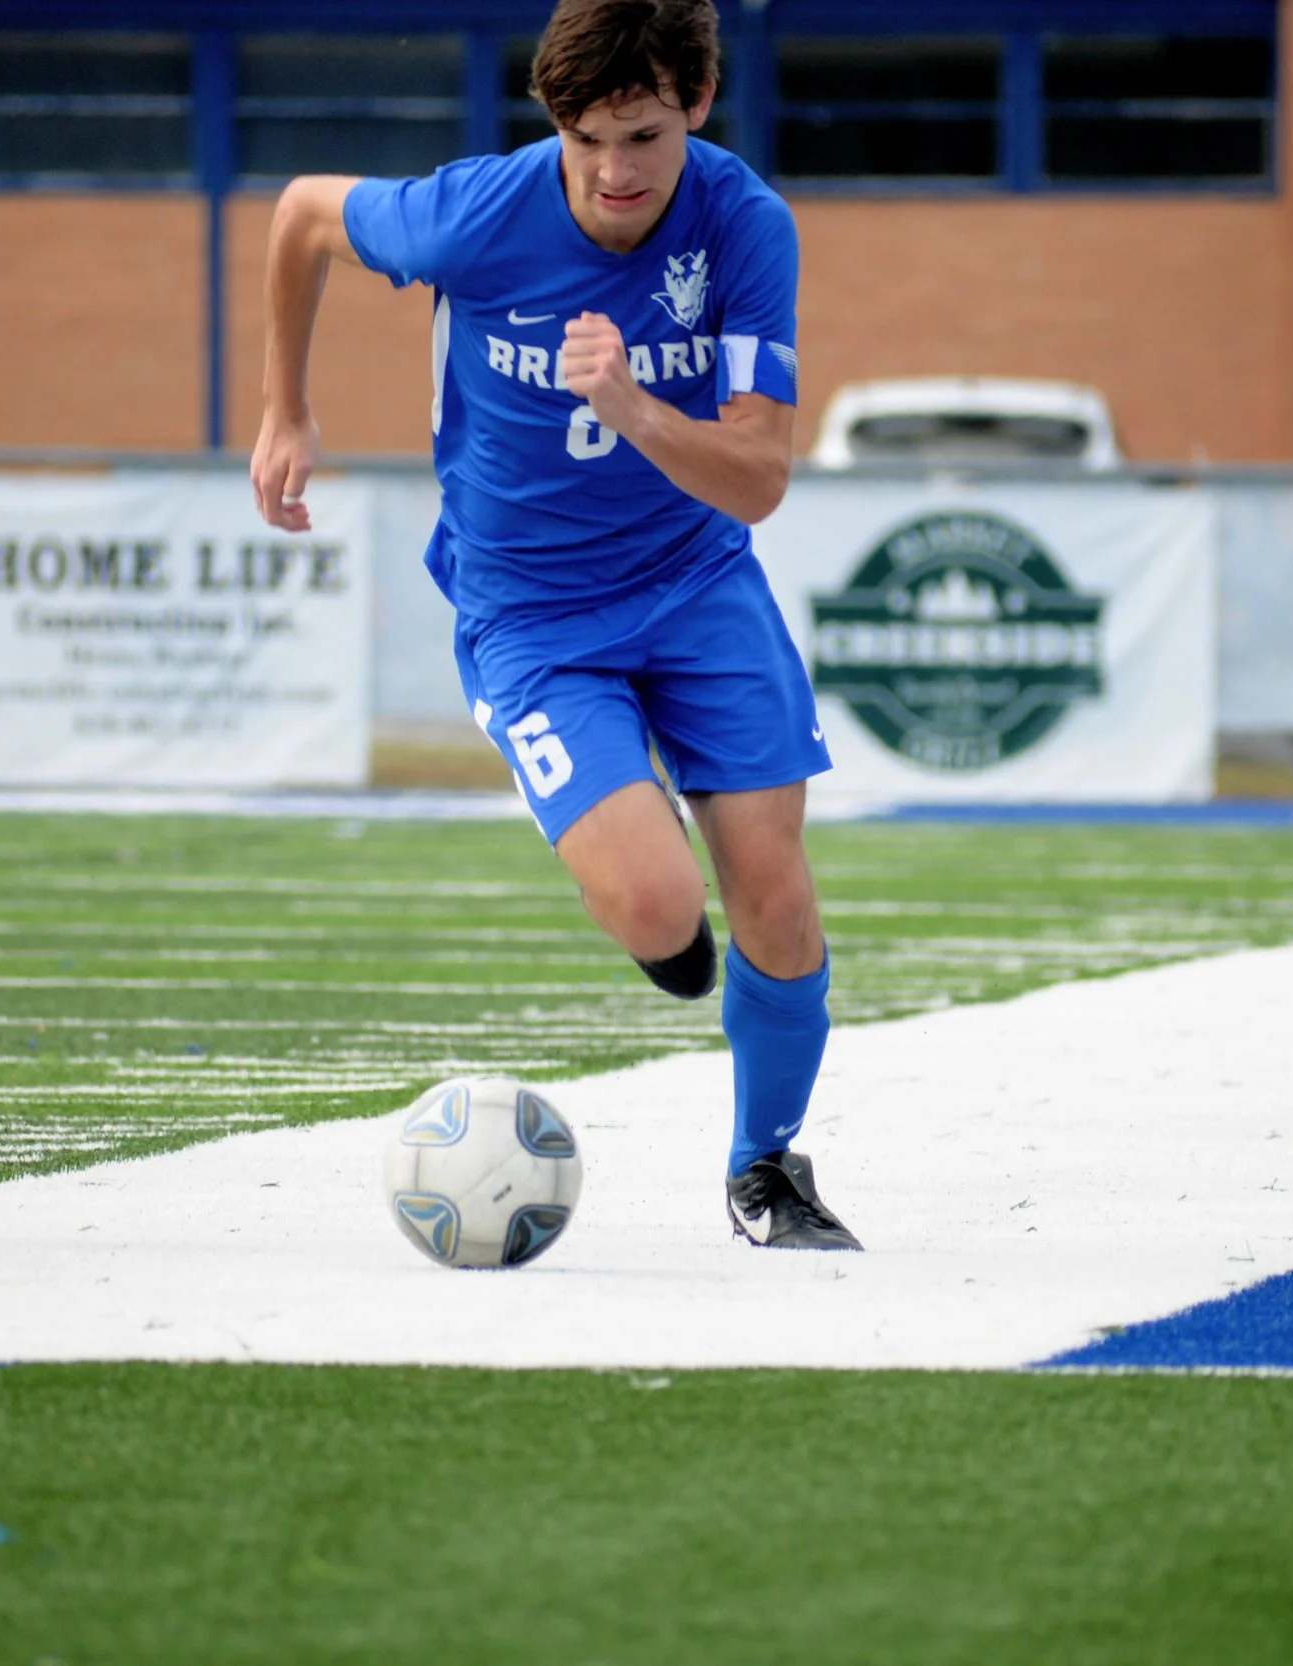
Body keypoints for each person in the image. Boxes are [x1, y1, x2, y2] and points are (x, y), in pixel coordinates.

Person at [251, 0, 858, 1248]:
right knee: (659, 910)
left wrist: (635, 408)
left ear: (697, 103)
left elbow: (758, 478)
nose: (612, 172)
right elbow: (302, 214)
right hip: (531, 613)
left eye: (643, 137)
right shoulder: (475, 213)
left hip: (697, 583)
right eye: (585, 140)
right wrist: (283, 408)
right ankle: (663, 912)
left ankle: (765, 1169)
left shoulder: (745, 224)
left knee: (776, 894)